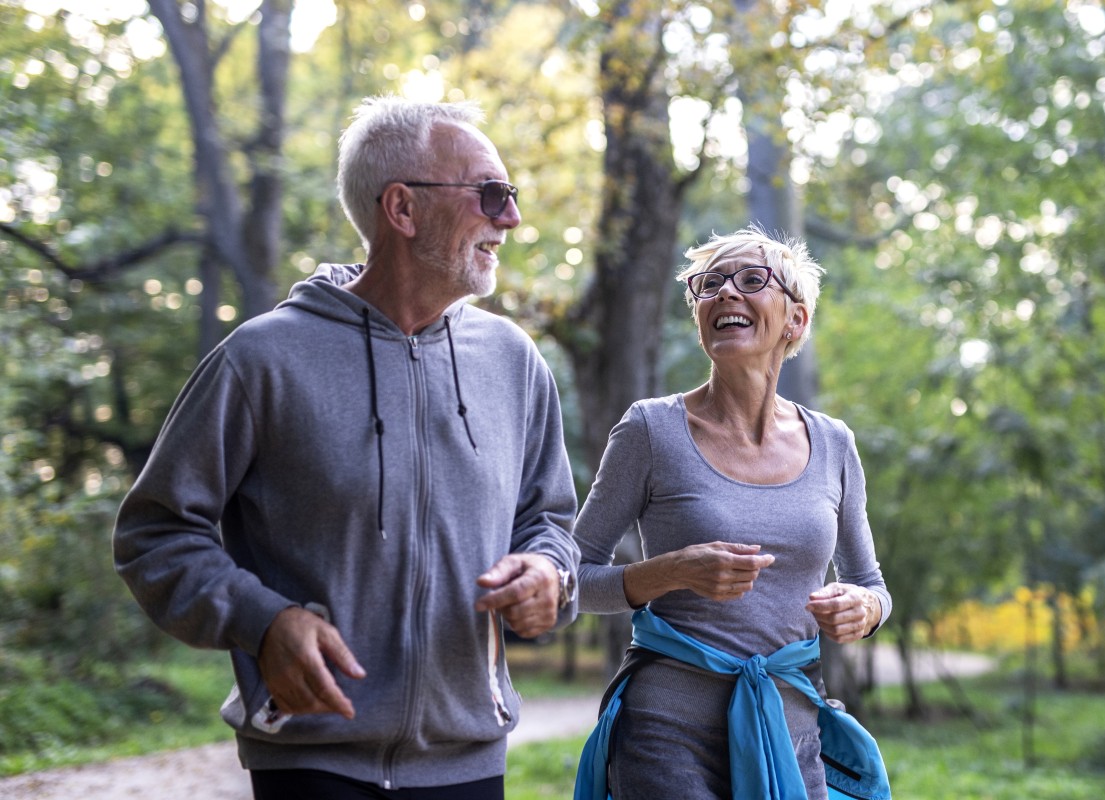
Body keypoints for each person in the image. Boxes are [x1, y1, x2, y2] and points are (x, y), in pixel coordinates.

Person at [113, 96, 580, 800]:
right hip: (311, 761)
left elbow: (551, 522)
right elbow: (154, 533)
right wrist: (262, 620)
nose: (509, 217)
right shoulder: (261, 360)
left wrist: (549, 572)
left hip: (470, 761)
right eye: (490, 194)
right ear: (402, 208)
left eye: (509, 196)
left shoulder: (514, 362)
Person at [572, 226, 891, 800]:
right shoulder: (651, 429)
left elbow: (871, 584)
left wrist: (864, 608)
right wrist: (670, 572)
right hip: (665, 735)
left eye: (751, 280)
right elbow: (571, 579)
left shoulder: (835, 443)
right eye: (709, 285)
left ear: (795, 321)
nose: (724, 294)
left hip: (792, 732)